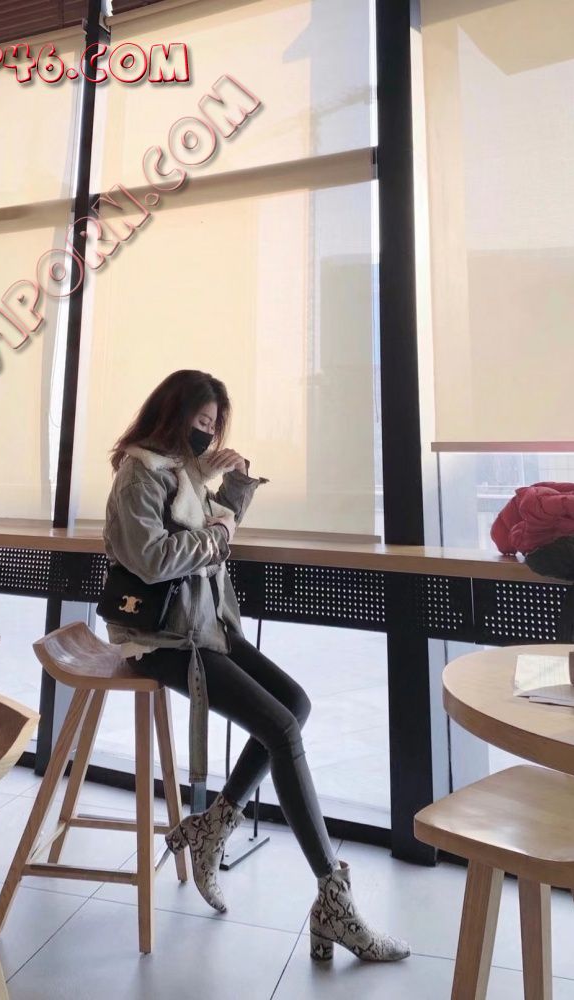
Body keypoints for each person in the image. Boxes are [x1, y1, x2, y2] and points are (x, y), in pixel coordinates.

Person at [101, 369, 410, 964]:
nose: (207, 433)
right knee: (282, 728)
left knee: (294, 705)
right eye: (201, 421)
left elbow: (202, 521)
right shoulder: (139, 471)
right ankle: (333, 897)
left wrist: (231, 486)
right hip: (164, 639)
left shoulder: (181, 471)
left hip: (204, 626)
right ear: (172, 414)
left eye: (213, 425)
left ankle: (212, 825)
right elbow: (153, 558)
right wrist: (223, 526)